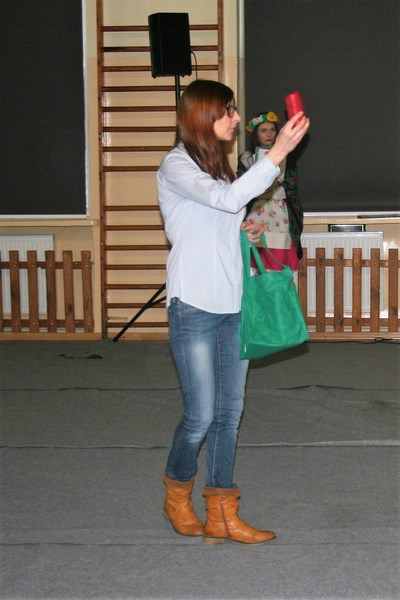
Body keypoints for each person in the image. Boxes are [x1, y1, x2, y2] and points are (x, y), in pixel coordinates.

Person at [157, 79, 309, 545]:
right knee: (201, 415)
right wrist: (278, 152)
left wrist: (242, 230)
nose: (237, 118)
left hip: (233, 303)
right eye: (229, 111)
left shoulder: (220, 169)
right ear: (204, 116)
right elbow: (222, 200)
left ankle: (222, 512)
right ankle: (176, 493)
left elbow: (221, 213)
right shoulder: (176, 164)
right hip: (193, 305)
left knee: (229, 413)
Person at [238, 111, 304, 271]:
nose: (268, 134)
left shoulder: (287, 156)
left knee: (278, 262)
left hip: (279, 211)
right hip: (256, 210)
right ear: (256, 134)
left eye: (272, 130)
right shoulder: (246, 158)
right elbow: (240, 189)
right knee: (256, 263)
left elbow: (292, 185)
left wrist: (280, 180)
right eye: (263, 131)